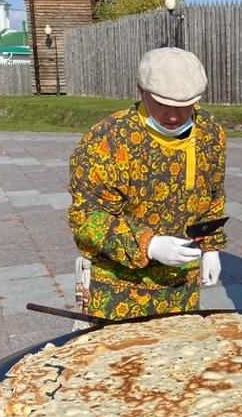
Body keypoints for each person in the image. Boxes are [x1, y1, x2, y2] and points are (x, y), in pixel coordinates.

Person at [68, 47, 227, 320]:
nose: (174, 114)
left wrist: (211, 247)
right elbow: (86, 218)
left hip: (181, 285)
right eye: (163, 103)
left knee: (179, 357)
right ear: (141, 92)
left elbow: (214, 194)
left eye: (184, 104)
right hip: (121, 288)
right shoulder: (109, 141)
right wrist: (148, 244)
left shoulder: (209, 132)